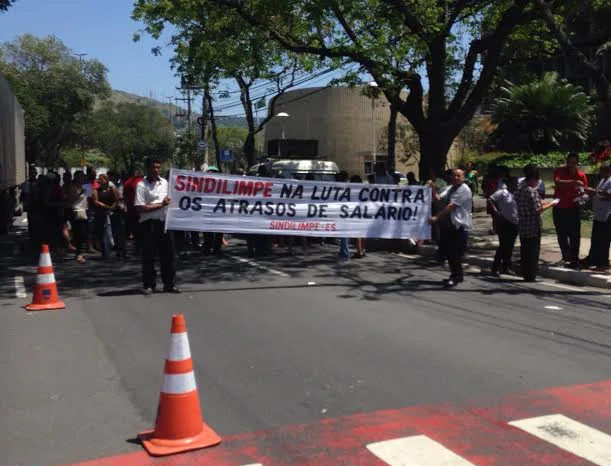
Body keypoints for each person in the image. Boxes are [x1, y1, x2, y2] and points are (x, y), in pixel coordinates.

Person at [135, 158, 178, 294]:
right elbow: (141, 208)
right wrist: (161, 204)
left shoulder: (164, 182)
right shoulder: (141, 185)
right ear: (147, 168)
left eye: (158, 167)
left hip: (164, 223)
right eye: (153, 167)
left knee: (168, 255)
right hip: (149, 224)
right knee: (149, 256)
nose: (156, 170)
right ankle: (149, 284)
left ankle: (169, 284)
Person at [428, 169, 473, 287]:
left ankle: (456, 277)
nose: (456, 178)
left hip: (458, 226)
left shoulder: (464, 189)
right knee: (450, 253)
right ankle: (456, 275)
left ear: (463, 177)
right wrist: (432, 188)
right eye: (454, 176)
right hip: (448, 225)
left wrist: (436, 218)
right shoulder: (450, 188)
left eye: (459, 176)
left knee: (455, 253)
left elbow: (451, 206)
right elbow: (438, 199)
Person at [516, 165, 556, 282]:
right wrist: (551, 204)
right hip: (532, 225)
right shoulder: (532, 191)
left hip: (522, 224)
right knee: (533, 251)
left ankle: (525, 272)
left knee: (525, 250)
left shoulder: (519, 189)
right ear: (534, 179)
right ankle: (531, 274)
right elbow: (537, 210)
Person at [553, 152, 588, 267]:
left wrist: (581, 200)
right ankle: (566, 256)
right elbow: (558, 184)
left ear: (577, 163)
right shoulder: (559, 171)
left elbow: (584, 193)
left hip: (573, 208)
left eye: (574, 162)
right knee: (561, 235)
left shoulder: (581, 175)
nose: (571, 165)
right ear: (566, 162)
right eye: (569, 162)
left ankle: (574, 259)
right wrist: (573, 182)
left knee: (574, 235)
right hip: (559, 208)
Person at [488, 174, 518, 276]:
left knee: (510, 246)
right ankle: (495, 267)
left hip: (515, 222)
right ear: (508, 184)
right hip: (504, 222)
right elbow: (490, 199)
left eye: (516, 183)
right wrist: (496, 211)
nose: (515, 185)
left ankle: (506, 266)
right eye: (513, 183)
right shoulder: (502, 192)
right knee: (503, 246)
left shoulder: (516, 194)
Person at [582, 164, 611, 270]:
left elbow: (608, 194)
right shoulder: (603, 180)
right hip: (599, 214)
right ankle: (593, 259)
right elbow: (600, 194)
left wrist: (594, 191)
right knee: (596, 239)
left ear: (607, 171)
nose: (600, 173)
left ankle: (603, 263)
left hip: (607, 215)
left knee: (604, 240)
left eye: (602, 171)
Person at [91, 174, 117, 259]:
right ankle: (104, 252)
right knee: (102, 233)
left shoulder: (111, 188)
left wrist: (112, 207)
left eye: (101, 179)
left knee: (112, 232)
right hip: (101, 213)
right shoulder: (96, 190)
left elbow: (116, 199)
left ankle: (114, 249)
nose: (99, 181)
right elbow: (96, 202)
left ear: (106, 180)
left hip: (111, 212)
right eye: (98, 179)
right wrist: (106, 207)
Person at [70, 171, 89, 264]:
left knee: (84, 233)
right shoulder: (73, 187)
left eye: (83, 177)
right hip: (76, 210)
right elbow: (72, 199)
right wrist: (80, 192)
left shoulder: (87, 186)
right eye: (79, 177)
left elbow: (89, 198)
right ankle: (79, 253)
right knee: (78, 232)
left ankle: (80, 251)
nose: (81, 178)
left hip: (85, 210)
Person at [350, 174, 366, 258]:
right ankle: (362, 250)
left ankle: (359, 251)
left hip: (356, 212)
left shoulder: (352, 190)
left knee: (357, 233)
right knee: (363, 233)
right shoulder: (364, 189)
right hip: (364, 212)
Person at [336, 171, 350, 262]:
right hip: (342, 212)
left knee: (344, 234)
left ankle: (345, 253)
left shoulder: (343, 186)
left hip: (345, 212)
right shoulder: (348, 186)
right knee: (343, 234)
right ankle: (343, 251)